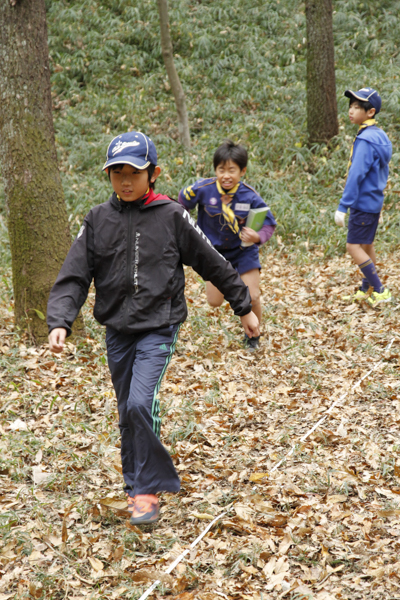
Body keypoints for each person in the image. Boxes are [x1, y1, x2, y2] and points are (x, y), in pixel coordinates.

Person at [47, 131, 259, 526]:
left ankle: (148, 489)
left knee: (140, 403)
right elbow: (74, 276)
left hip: (159, 327)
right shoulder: (97, 219)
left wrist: (243, 307)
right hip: (117, 330)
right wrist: (60, 320)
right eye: (117, 173)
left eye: (134, 172)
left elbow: (212, 262)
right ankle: (136, 488)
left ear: (154, 173)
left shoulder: (172, 216)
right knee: (127, 410)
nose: (125, 181)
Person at [178, 140, 276, 350]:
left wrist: (257, 237)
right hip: (213, 254)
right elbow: (182, 202)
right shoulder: (203, 189)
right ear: (215, 170)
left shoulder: (250, 196)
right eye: (221, 170)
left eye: (232, 170)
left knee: (252, 295)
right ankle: (239, 300)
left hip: (243, 252)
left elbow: (269, 223)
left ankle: (253, 336)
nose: (226, 175)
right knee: (214, 301)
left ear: (242, 171)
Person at [334, 87, 392, 307]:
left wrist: (343, 206)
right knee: (366, 245)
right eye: (351, 106)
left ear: (371, 112)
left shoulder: (366, 140)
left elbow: (356, 174)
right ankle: (366, 286)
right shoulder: (379, 135)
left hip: (362, 202)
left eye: (358, 107)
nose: (351, 110)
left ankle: (379, 289)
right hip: (373, 201)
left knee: (353, 246)